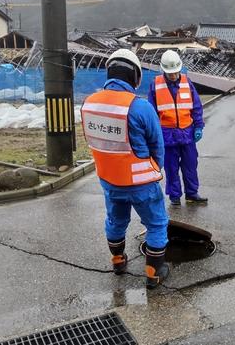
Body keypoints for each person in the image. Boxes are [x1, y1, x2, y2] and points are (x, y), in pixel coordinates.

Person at [80, 49, 169, 289]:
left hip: (109, 180)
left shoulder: (88, 104)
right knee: (157, 224)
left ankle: (118, 261)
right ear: (136, 77)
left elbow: (93, 141)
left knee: (116, 221)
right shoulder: (140, 107)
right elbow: (157, 147)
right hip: (141, 183)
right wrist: (152, 170)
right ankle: (153, 271)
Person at [148, 49, 208, 206]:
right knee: (171, 167)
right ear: (163, 70)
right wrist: (154, 135)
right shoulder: (155, 85)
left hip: (187, 132)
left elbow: (196, 107)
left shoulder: (187, 83)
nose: (173, 75)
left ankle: (192, 193)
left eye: (175, 72)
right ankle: (175, 196)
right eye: (170, 73)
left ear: (180, 68)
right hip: (167, 135)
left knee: (190, 165)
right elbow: (152, 113)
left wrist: (198, 126)